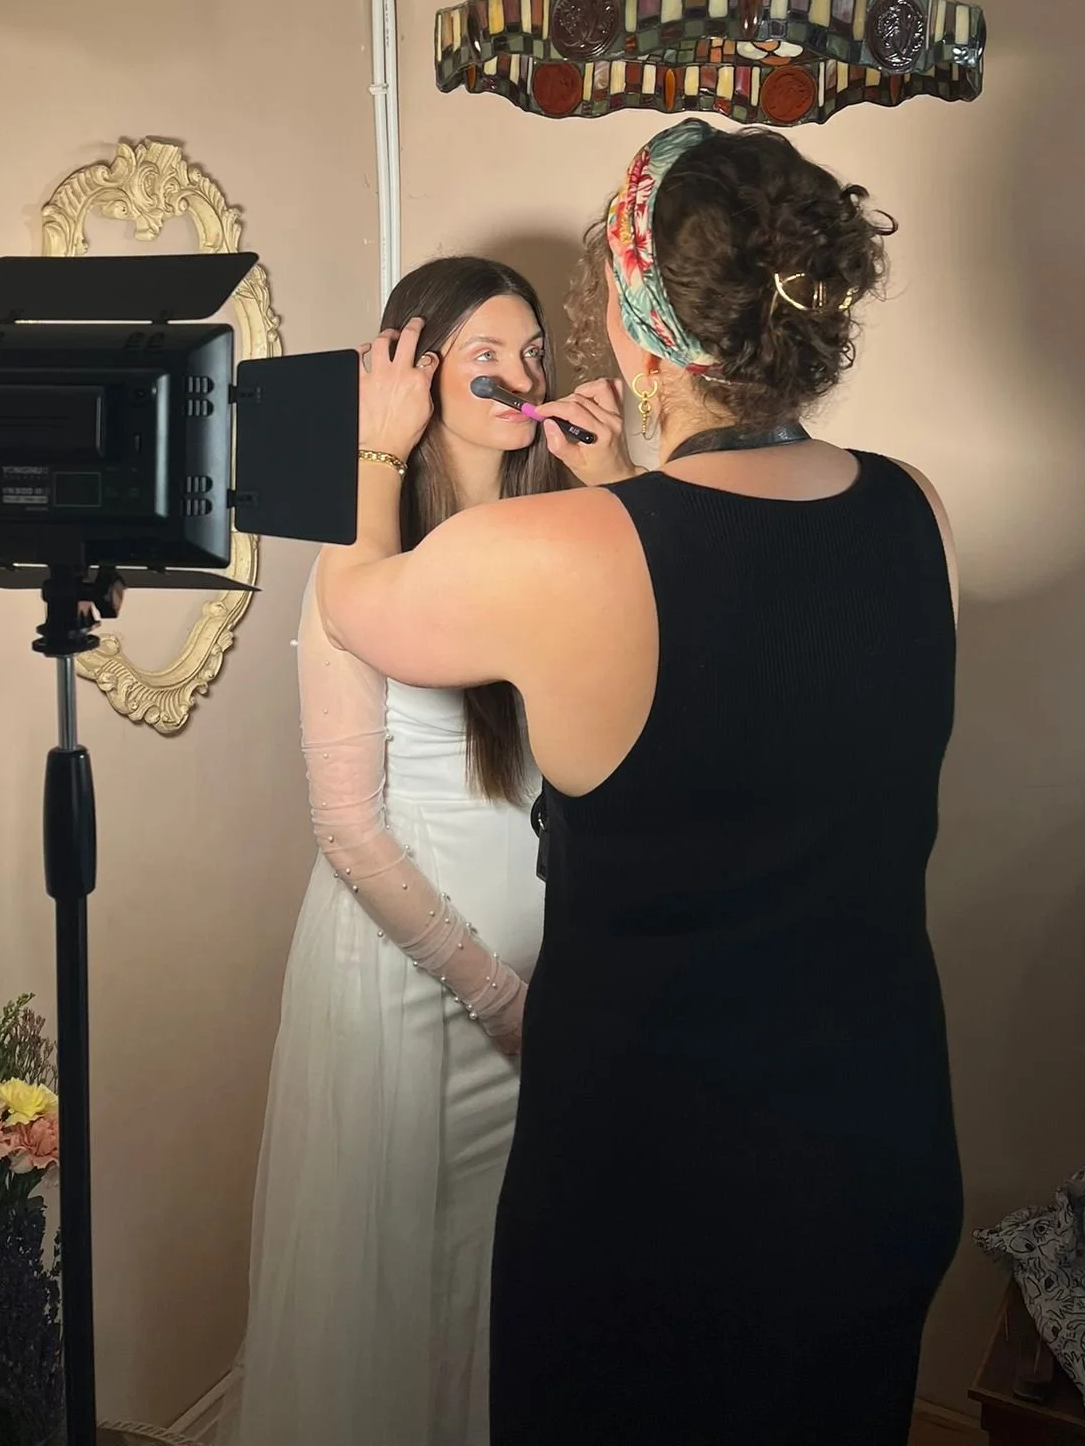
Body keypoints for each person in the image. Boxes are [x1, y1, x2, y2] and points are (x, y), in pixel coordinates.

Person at [319, 121, 963, 1446]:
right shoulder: (916, 509)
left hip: (659, 1174)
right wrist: (622, 481)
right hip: (879, 1138)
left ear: (643, 323)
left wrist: (375, 448)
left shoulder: (561, 550)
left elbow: (359, 604)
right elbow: (769, 679)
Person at [238, 256, 629, 1446]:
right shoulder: (355, 568)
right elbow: (351, 828)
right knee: (407, 1294)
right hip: (413, 990)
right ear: (409, 380)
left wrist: (623, 485)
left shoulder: (559, 538)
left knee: (515, 1286)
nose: (519, 379)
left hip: (551, 989)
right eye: (483, 358)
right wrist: (495, 994)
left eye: (533, 355)